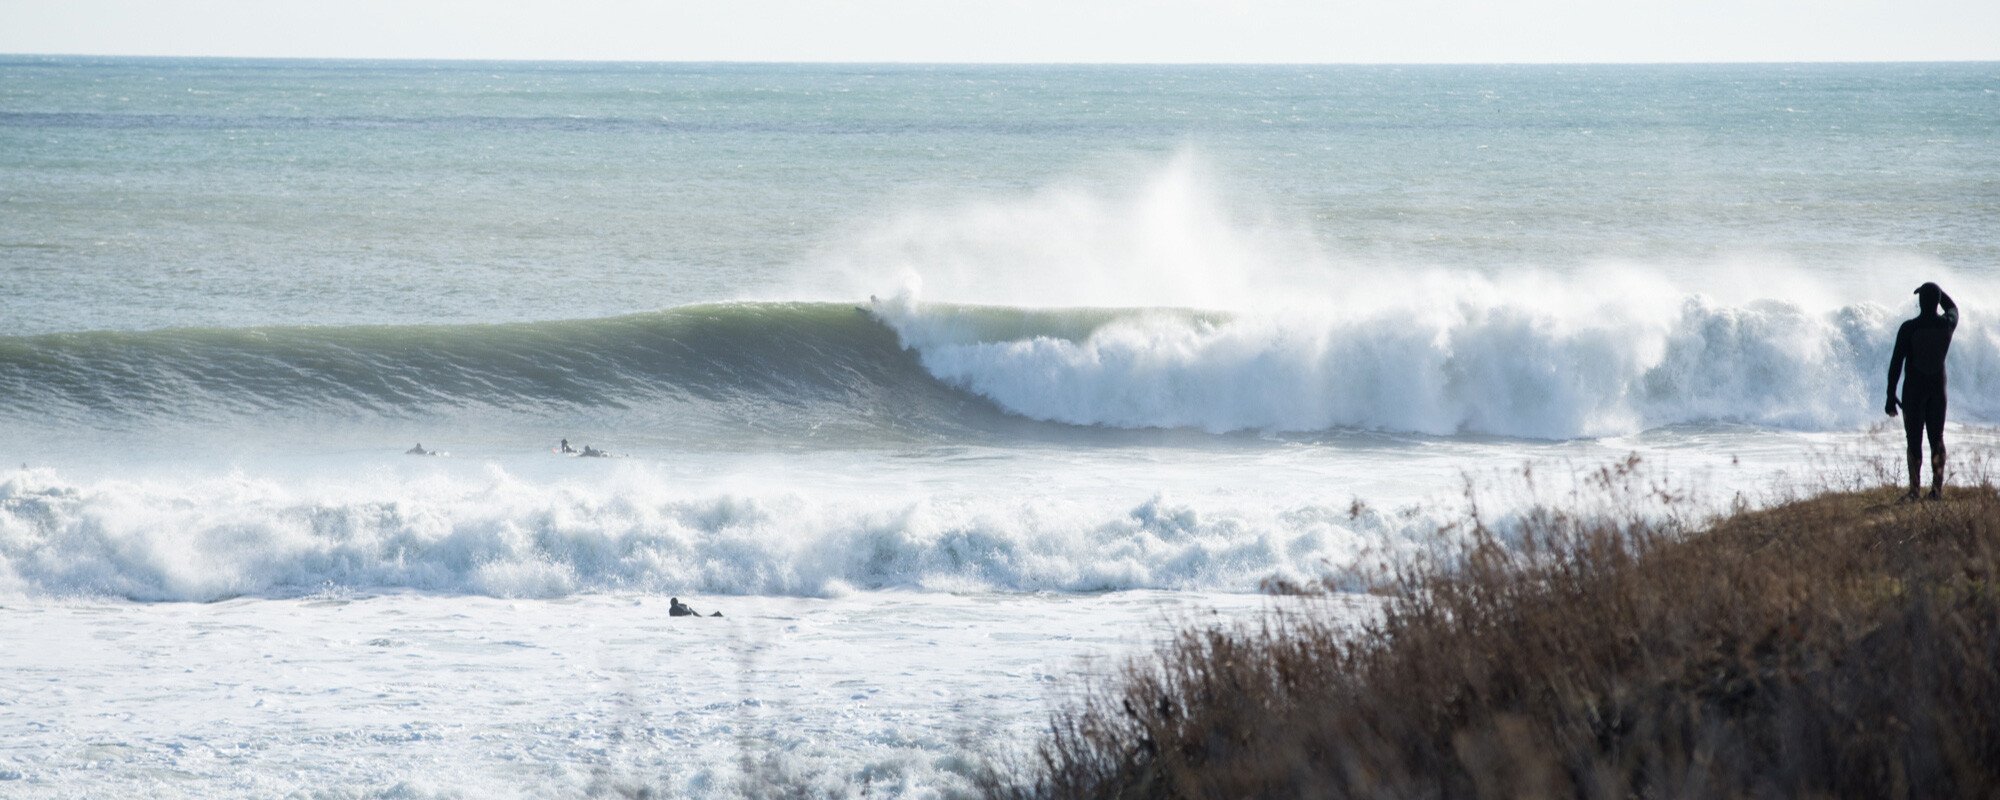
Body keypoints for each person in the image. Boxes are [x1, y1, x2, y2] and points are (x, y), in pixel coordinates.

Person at [1885, 282, 1958, 501]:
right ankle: (1936, 491)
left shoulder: (1909, 328)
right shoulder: (1947, 325)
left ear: (1919, 301)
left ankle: (1914, 491)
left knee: (1914, 440)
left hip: (1913, 393)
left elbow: (1896, 363)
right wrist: (1939, 293)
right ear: (1936, 302)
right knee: (1937, 439)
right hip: (1937, 391)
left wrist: (1890, 395)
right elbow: (1953, 308)